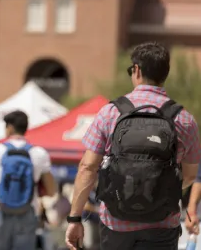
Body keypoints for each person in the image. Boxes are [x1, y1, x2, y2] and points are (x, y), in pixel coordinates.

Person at [65, 42, 201, 250]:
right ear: (165, 73)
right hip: (162, 225)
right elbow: (190, 176)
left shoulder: (110, 112)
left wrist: (75, 219)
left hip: (116, 223)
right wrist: (157, 187)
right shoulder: (184, 119)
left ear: (136, 70)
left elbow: (87, 167)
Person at [0, 110, 57, 250]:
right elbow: (51, 191)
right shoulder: (39, 153)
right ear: (25, 127)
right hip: (28, 211)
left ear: (10, 127)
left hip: (0, 210)